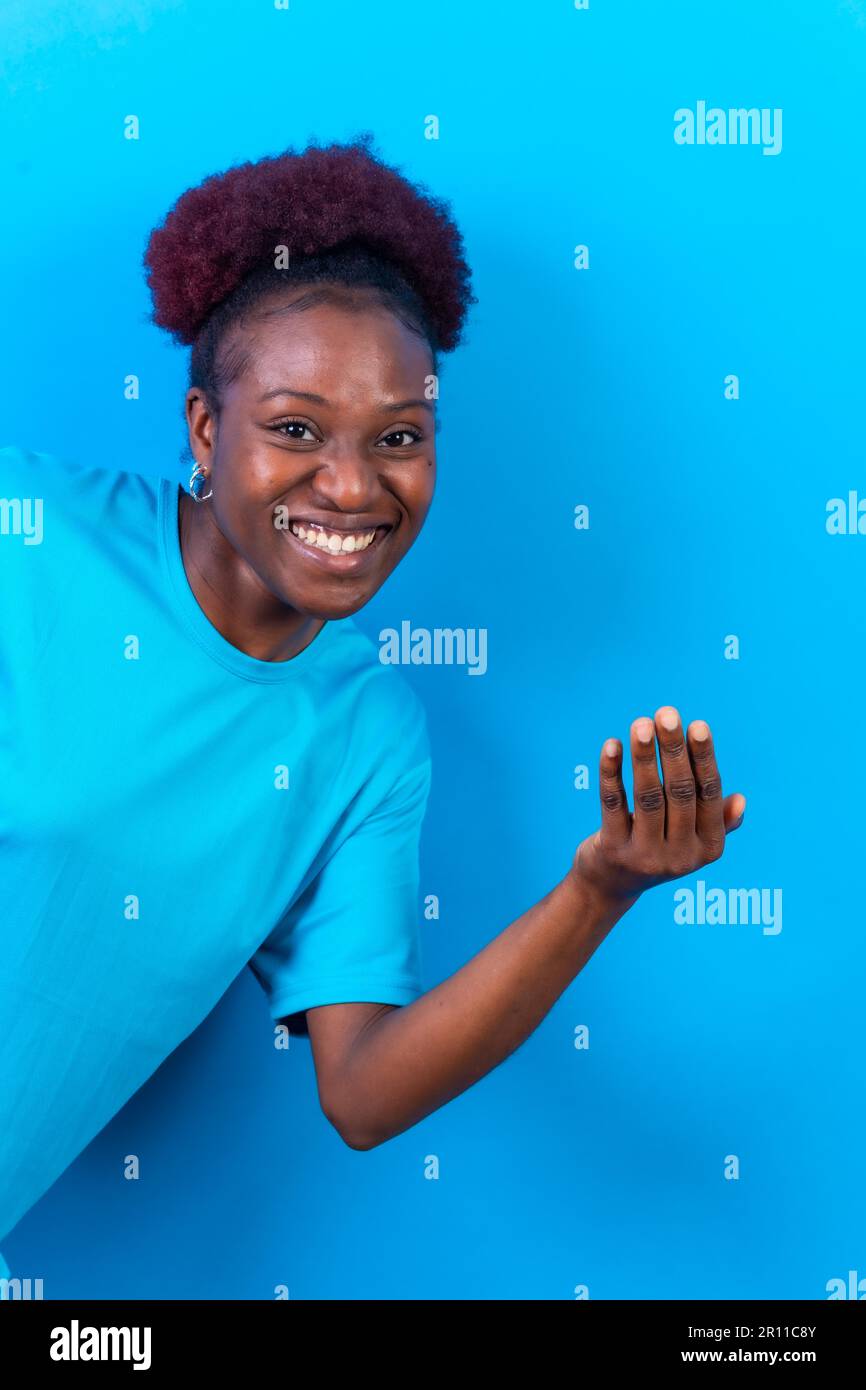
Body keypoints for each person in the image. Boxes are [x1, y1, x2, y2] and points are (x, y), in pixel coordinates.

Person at [0, 135, 745, 1281]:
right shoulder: (29, 536)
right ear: (206, 430)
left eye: (397, 437)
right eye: (294, 427)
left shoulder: (365, 737)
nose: (352, 486)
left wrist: (600, 889)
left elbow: (361, 1090)